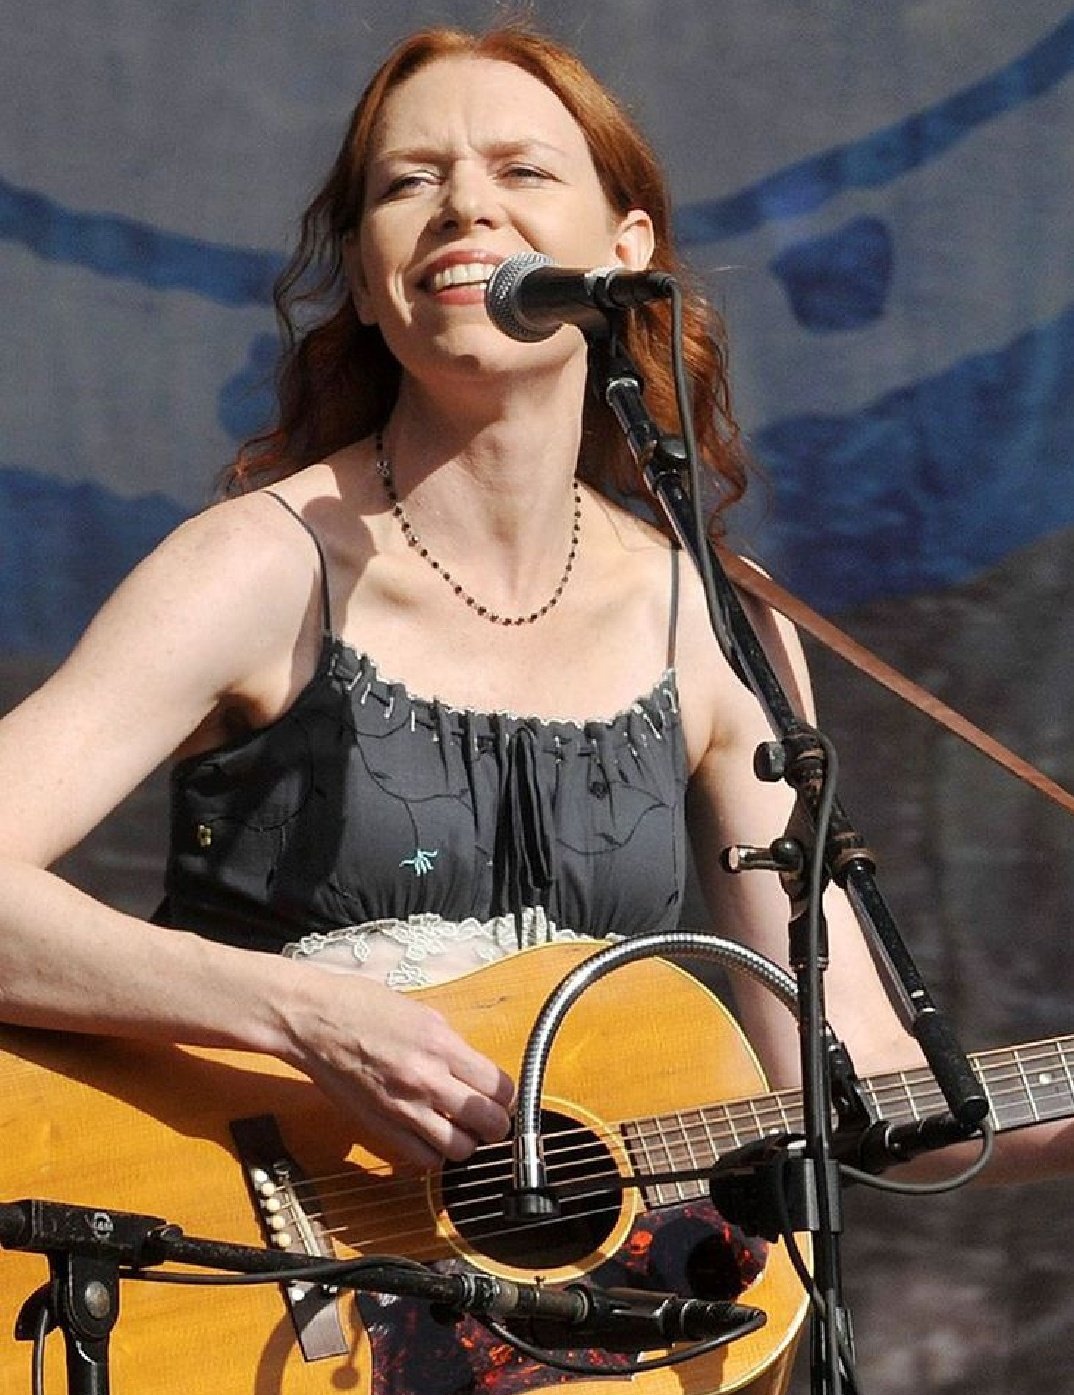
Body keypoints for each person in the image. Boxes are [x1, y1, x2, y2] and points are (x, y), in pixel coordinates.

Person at [0, 21, 1067, 1218]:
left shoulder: (717, 623)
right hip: (244, 1290)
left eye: (522, 170)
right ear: (363, 275)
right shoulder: (258, 566)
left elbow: (853, 1080)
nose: (465, 207)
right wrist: (299, 1013)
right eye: (410, 183)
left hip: (559, 1366)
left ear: (626, 250)